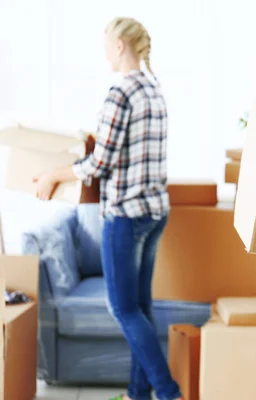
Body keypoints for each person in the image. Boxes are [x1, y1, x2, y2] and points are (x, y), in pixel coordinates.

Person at [35, 17, 182, 400]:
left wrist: (54, 173)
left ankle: (168, 393)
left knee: (123, 309)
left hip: (126, 216)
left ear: (119, 45)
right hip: (155, 212)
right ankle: (138, 393)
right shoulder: (154, 88)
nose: (103, 53)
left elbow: (99, 164)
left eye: (105, 44)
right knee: (141, 307)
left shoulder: (121, 92)